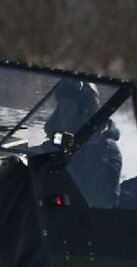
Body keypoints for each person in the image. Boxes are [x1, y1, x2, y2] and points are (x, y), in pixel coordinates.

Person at [44, 79, 123, 208]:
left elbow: (99, 201)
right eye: (61, 107)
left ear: (85, 113)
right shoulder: (58, 143)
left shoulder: (106, 151)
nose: (62, 114)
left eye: (68, 107)